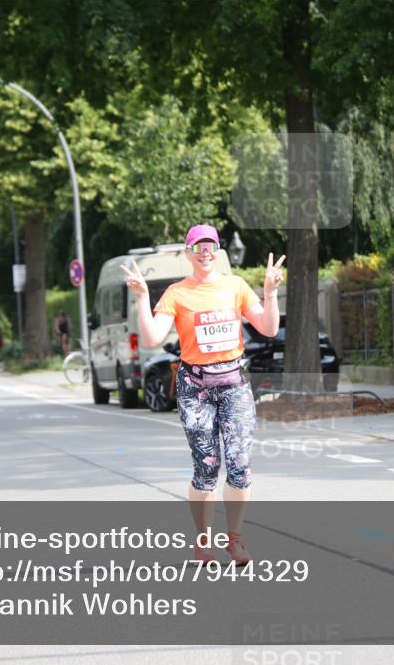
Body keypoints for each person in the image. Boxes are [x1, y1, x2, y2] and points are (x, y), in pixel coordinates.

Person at [120, 224, 284, 564]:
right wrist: (141, 298)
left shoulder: (235, 286)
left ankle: (235, 539)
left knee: (240, 465)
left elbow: (267, 329)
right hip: (196, 388)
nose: (205, 251)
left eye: (210, 245)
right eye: (198, 246)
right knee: (207, 467)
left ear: (218, 250)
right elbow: (151, 339)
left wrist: (269, 294)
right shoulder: (177, 293)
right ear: (188, 253)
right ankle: (203, 542)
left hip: (234, 384)